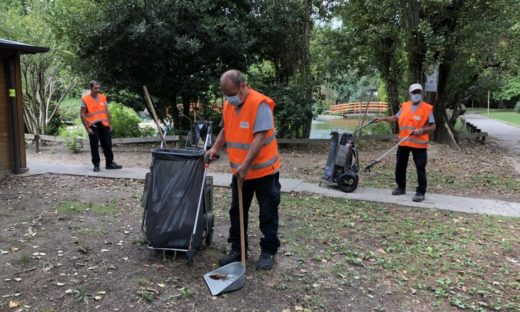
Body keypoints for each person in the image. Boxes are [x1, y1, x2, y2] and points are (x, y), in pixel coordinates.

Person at [206, 70, 281, 270]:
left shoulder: (260, 104)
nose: (229, 97)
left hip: (264, 172)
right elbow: (226, 129)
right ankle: (238, 249)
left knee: (268, 212)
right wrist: (214, 148)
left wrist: (245, 166)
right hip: (240, 172)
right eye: (225, 94)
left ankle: (268, 251)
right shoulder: (230, 104)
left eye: (231, 92)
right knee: (237, 211)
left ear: (242, 85)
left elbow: (260, 137)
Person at [373, 83, 436, 202]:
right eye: (414, 92)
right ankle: (401, 187)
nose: (416, 94)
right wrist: (381, 119)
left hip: (419, 144)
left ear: (422, 93)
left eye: (418, 92)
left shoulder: (427, 108)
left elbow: (433, 127)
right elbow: (395, 118)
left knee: (420, 168)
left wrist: (422, 130)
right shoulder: (405, 106)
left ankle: (420, 192)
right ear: (410, 93)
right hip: (403, 142)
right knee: (400, 166)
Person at [80, 81, 122, 172]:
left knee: (107, 144)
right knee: (94, 145)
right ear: (91, 88)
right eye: (95, 88)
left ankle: (109, 163)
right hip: (93, 126)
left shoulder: (103, 98)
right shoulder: (85, 99)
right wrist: (87, 128)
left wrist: (109, 124)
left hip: (104, 125)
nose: (98, 90)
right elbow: (82, 114)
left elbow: (106, 111)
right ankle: (96, 165)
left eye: (98, 88)